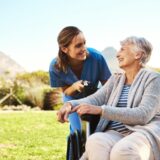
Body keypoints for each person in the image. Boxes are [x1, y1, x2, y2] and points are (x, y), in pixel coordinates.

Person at [57, 36, 160, 160]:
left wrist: (101, 110)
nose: (117, 54)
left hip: (142, 132)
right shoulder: (117, 78)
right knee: (95, 141)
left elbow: (143, 115)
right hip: (115, 133)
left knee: (122, 151)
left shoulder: (153, 79)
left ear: (138, 54)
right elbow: (95, 99)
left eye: (122, 49)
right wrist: (70, 104)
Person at [49, 26, 111, 134]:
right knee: (79, 132)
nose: (84, 49)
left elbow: (109, 87)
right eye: (78, 46)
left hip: (94, 98)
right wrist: (74, 86)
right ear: (64, 49)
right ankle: (75, 148)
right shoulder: (55, 66)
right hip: (72, 100)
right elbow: (65, 92)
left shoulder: (97, 58)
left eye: (84, 43)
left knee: (97, 131)